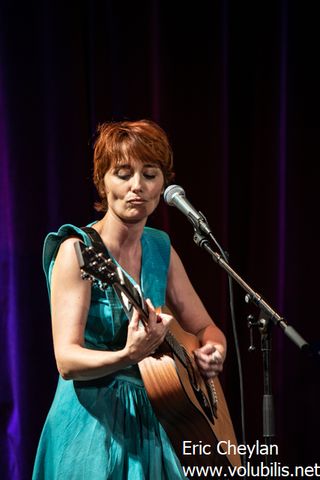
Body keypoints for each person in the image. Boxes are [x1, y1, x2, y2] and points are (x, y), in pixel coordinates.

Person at [32, 119, 227, 479]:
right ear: (102, 182)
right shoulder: (78, 251)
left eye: (150, 174)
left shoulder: (159, 246)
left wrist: (214, 350)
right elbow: (66, 359)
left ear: (164, 184)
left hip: (159, 420)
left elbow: (205, 328)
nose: (137, 186)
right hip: (91, 426)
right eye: (123, 173)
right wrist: (128, 355)